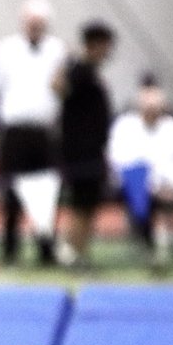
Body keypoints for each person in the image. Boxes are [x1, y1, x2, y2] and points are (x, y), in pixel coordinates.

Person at [0, 0, 67, 265]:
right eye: (31, 21)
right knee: (11, 193)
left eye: (39, 22)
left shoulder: (57, 50)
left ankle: (46, 248)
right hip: (14, 131)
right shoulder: (6, 49)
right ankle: (10, 248)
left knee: (46, 192)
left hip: (44, 132)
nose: (35, 26)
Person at [108, 82, 173, 267]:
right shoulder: (125, 126)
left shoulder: (172, 127)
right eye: (148, 108)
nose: (152, 113)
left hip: (171, 184)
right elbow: (120, 161)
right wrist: (153, 185)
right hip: (137, 183)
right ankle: (151, 247)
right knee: (141, 190)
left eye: (156, 109)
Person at [57, 21, 116, 268]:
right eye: (106, 46)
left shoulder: (91, 72)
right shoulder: (79, 70)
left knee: (89, 204)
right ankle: (70, 251)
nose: (109, 51)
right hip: (81, 150)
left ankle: (79, 251)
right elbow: (58, 87)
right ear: (95, 45)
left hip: (93, 149)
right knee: (81, 204)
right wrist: (67, 62)